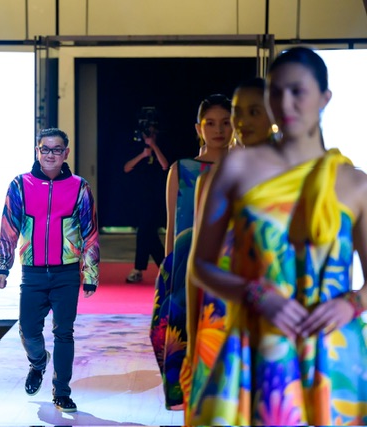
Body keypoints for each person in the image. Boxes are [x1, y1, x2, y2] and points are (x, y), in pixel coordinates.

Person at [187, 46, 367, 425]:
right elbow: (201, 265)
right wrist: (255, 294)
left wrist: (350, 305)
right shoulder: (237, 167)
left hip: (334, 348)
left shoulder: (354, 183)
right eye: (276, 92)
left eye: (298, 91)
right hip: (260, 338)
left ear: (325, 98)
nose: (285, 103)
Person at [180, 77, 275, 416]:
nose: (243, 122)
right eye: (238, 113)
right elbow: (196, 263)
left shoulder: (302, 178)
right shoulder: (212, 179)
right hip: (218, 313)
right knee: (216, 409)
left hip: (276, 317)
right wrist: (192, 340)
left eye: (254, 111)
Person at [0, 127, 100, 413]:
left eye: (57, 150)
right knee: (28, 329)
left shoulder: (80, 187)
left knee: (64, 333)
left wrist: (90, 274)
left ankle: (61, 392)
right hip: (33, 273)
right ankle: (38, 362)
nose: (50, 155)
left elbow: (90, 233)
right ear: (37, 151)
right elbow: (9, 227)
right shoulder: (20, 184)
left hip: (66, 273)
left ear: (66, 153)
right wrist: (3, 265)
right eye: (45, 149)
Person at [150, 94, 233, 410]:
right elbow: (172, 226)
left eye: (226, 122)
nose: (218, 130)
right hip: (185, 268)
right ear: (199, 128)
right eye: (210, 123)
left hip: (231, 269)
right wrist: (168, 272)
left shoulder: (246, 170)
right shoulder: (181, 169)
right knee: (174, 335)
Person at [123, 122, 169, 283]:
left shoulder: (161, 148)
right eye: (147, 134)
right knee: (148, 235)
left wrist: (154, 147)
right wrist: (143, 155)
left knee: (145, 233)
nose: (149, 136)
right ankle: (166, 268)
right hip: (140, 199)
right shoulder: (137, 149)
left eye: (153, 133)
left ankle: (139, 269)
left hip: (157, 199)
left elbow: (165, 166)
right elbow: (127, 168)